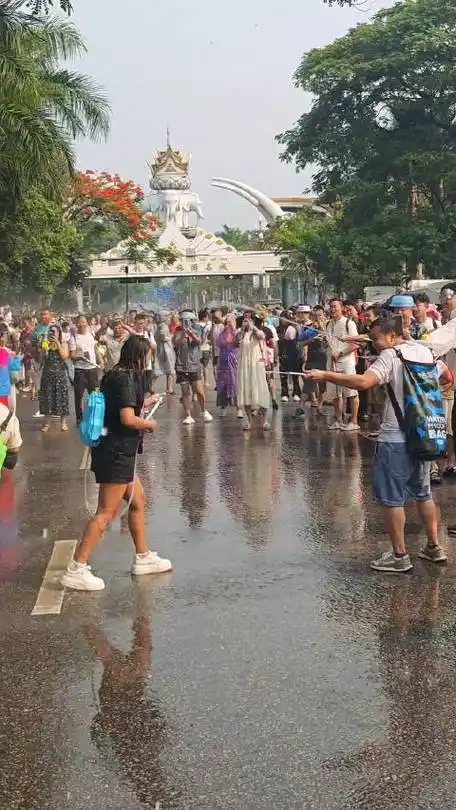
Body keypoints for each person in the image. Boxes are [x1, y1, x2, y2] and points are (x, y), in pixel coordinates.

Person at [305, 317, 447, 573]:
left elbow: (364, 382)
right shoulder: (425, 351)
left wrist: (325, 375)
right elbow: (446, 376)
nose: (375, 343)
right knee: (423, 493)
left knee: (392, 499)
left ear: (392, 335)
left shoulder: (391, 355)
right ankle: (434, 547)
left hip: (395, 438)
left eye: (377, 339)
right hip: (423, 435)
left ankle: (399, 555)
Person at [61, 335, 172, 591]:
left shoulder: (115, 374)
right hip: (117, 453)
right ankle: (77, 567)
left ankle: (143, 557)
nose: (148, 362)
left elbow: (121, 404)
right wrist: (148, 424)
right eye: (147, 356)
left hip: (116, 450)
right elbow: (127, 418)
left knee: (138, 501)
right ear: (138, 355)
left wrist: (145, 402)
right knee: (105, 513)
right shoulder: (126, 379)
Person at [325, 298, 360, 431]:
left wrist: (340, 353)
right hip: (331, 362)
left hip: (346, 362)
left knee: (351, 392)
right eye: (331, 307)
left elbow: (356, 343)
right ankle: (338, 420)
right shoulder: (328, 324)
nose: (333, 309)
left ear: (342, 308)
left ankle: (354, 421)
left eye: (335, 306)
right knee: (334, 393)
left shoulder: (348, 323)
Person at [173, 311, 213, 425]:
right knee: (185, 391)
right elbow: (176, 343)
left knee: (199, 391)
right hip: (181, 365)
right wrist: (183, 333)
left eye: (187, 321)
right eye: (182, 321)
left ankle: (204, 410)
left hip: (194, 365)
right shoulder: (178, 331)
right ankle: (188, 415)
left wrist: (191, 333)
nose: (185, 323)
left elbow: (199, 341)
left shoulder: (196, 329)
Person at [236, 313, 271, 432]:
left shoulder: (257, 332)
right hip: (244, 366)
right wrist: (242, 330)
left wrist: (253, 328)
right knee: (245, 391)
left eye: (249, 319)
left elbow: (262, 336)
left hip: (256, 365)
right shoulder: (241, 333)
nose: (247, 320)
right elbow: (236, 341)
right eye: (245, 318)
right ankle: (249, 421)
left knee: (261, 390)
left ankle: (265, 421)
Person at [38, 325, 70, 432]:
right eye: (50, 331)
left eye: (54, 331)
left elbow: (64, 356)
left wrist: (57, 343)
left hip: (60, 374)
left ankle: (63, 423)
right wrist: (43, 349)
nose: (51, 333)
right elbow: (40, 360)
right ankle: (47, 423)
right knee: (47, 398)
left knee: (62, 398)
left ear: (59, 333)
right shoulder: (46, 343)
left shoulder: (63, 343)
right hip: (47, 374)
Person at [69, 315, 99, 425]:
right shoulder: (73, 338)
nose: (81, 324)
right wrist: (80, 357)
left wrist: (100, 361)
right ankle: (79, 418)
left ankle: (94, 416)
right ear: (76, 324)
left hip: (92, 369)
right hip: (80, 370)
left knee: (94, 394)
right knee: (79, 395)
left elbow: (95, 349)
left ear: (87, 323)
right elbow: (72, 356)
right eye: (79, 322)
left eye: (83, 321)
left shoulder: (91, 334)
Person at [216, 313, 239, 415]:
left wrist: (232, 331)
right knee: (222, 383)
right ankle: (223, 406)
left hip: (234, 360)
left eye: (230, 322)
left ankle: (238, 408)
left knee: (235, 382)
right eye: (226, 323)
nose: (228, 325)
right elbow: (219, 343)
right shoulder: (221, 333)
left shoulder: (237, 333)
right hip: (223, 362)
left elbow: (236, 342)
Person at [278, 311, 301, 402]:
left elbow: (295, 339)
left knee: (295, 375)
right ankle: (284, 393)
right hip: (282, 354)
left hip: (294, 354)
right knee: (283, 376)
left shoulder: (294, 327)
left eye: (286, 318)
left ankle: (296, 392)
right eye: (282, 318)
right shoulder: (278, 329)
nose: (283, 320)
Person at [154, 312, 175, 395]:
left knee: (166, 369)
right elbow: (163, 337)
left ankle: (169, 387)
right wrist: (171, 336)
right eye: (168, 317)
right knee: (168, 369)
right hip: (166, 350)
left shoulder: (160, 326)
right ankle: (169, 388)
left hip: (163, 349)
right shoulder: (163, 326)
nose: (169, 319)